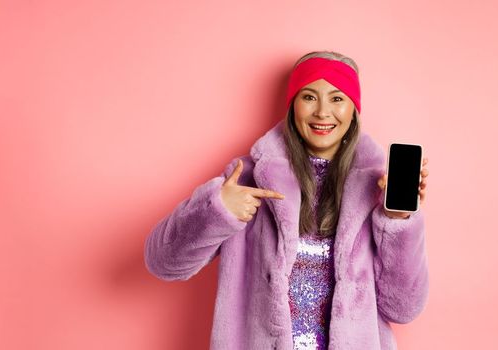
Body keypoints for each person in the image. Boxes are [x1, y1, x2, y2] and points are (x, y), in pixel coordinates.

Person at [144, 51, 430, 350]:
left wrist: (397, 222)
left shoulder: (377, 190)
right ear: (293, 105)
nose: (322, 112)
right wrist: (217, 211)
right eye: (309, 97)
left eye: (336, 99)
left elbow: (403, 308)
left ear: (353, 110)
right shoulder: (246, 179)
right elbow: (163, 264)